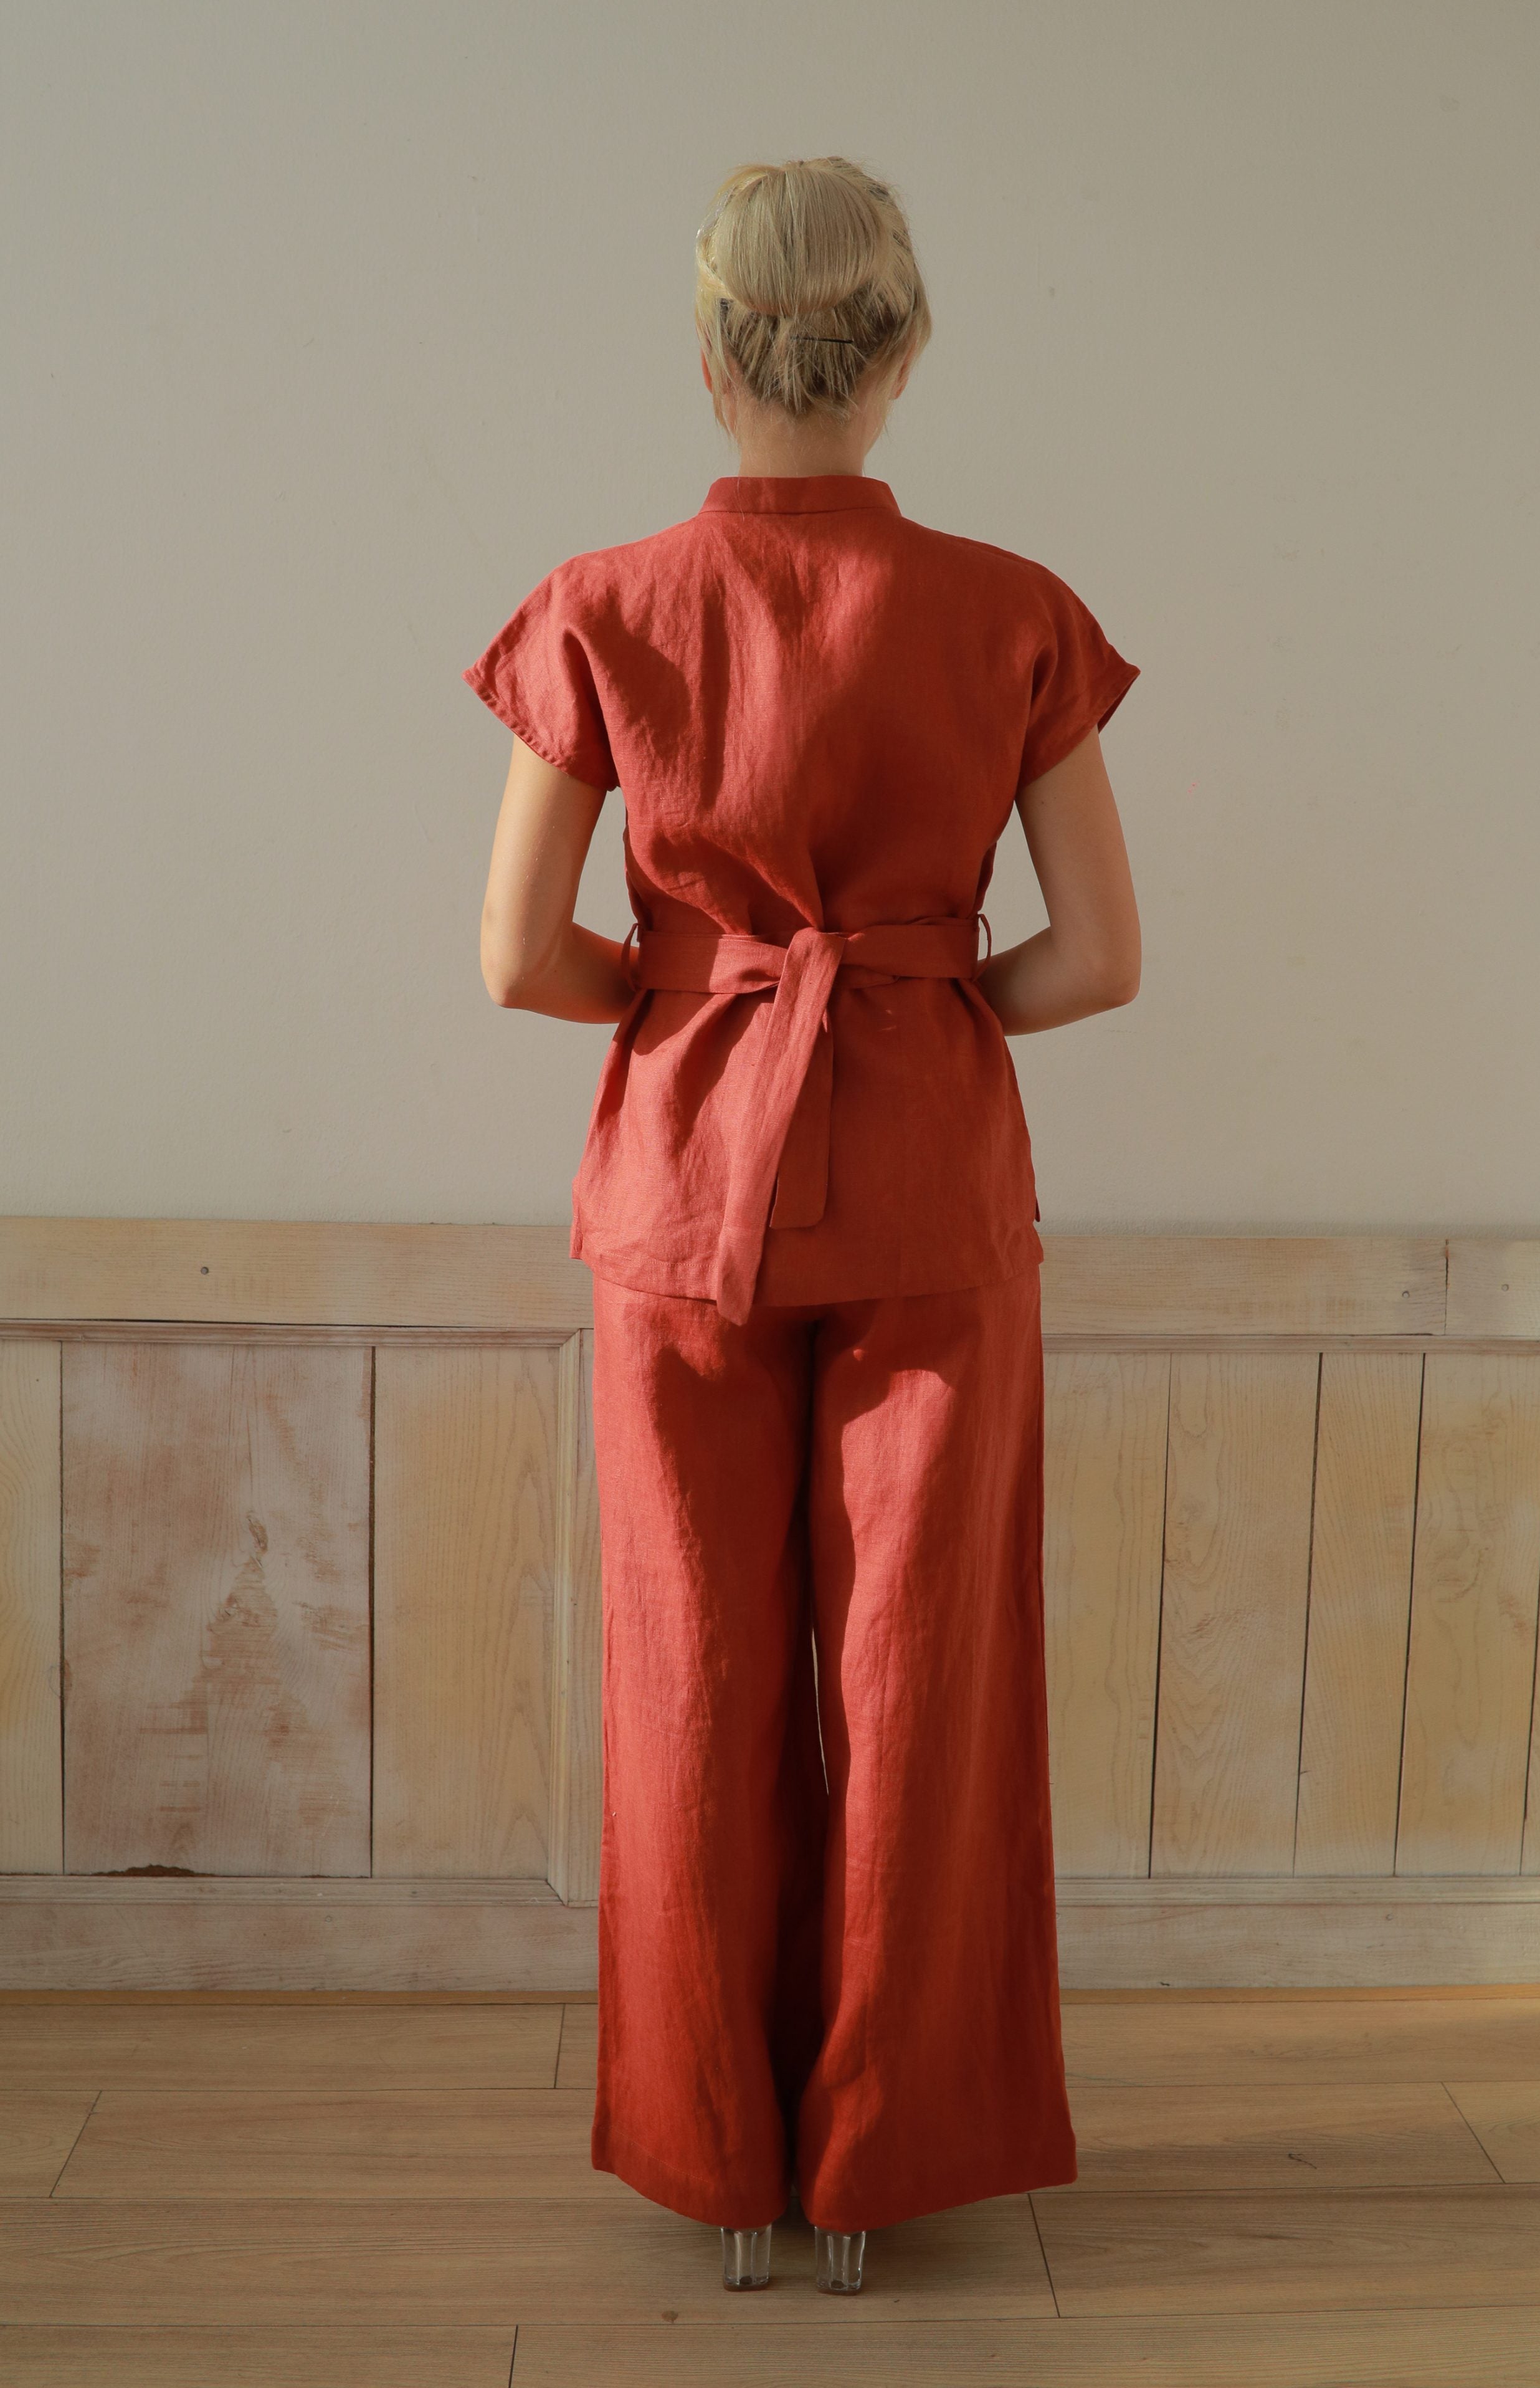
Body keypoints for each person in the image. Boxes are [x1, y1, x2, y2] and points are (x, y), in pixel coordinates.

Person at [465, 156, 1141, 2297]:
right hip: (932, 1176)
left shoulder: (602, 605)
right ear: (903, 353)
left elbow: (515, 958)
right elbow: (1098, 957)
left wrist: (698, 994)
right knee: (920, 1674)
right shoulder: (1012, 612)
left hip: (681, 1182)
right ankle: (879, 2164)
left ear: (708, 355)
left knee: (693, 1666)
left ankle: (719, 2163)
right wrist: (916, 1004)